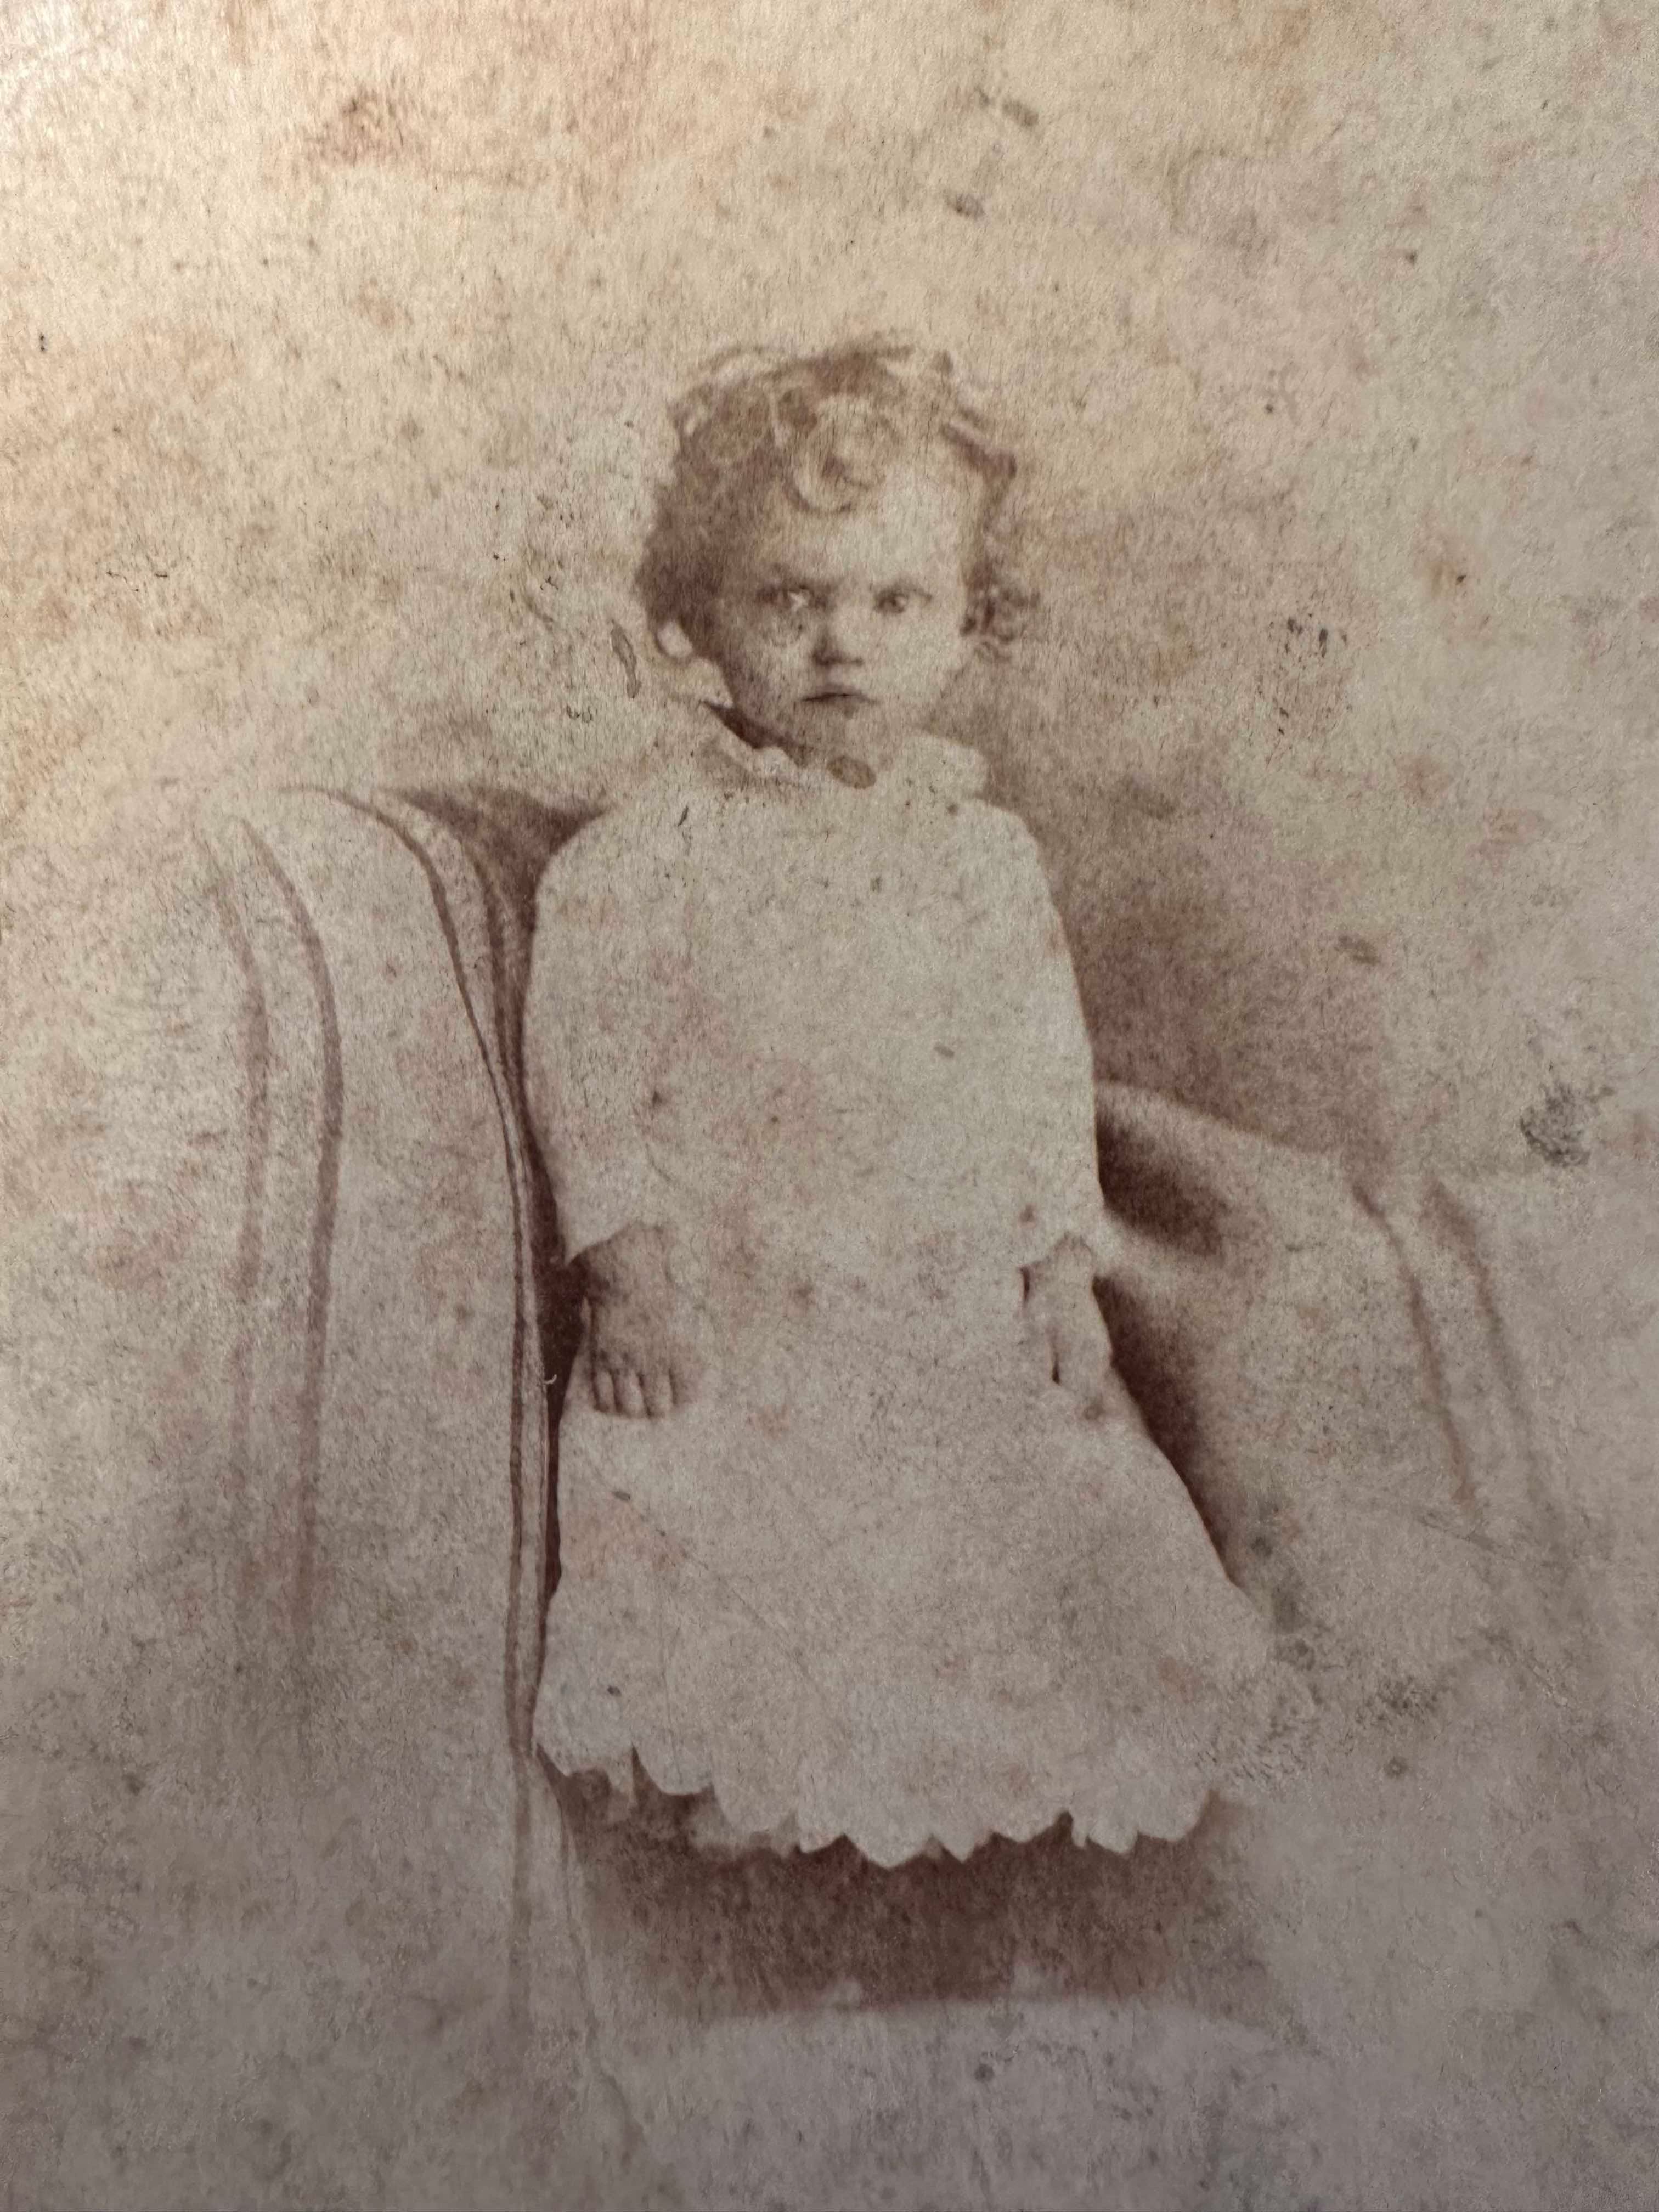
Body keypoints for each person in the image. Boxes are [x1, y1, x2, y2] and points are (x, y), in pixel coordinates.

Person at [523, 338, 1293, 1866]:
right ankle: (763, 1795)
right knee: (738, 1527)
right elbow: (586, 1063)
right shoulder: (642, 860)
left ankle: (978, 1809)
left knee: (1037, 1512)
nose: (841, 645)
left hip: (942, 1292)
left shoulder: (986, 861)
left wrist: (1060, 1269)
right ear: (696, 622)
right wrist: (629, 1274)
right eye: (789, 600)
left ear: (966, 626)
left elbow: (1036, 1072)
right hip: (746, 1292)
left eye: (894, 602)